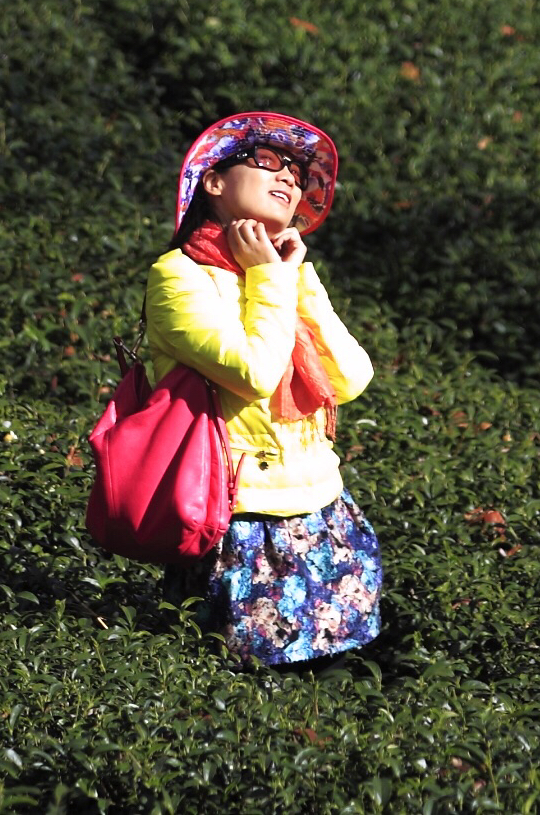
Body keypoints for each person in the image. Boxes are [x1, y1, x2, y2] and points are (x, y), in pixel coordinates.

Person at [144, 108, 381, 670]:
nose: (289, 180)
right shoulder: (177, 276)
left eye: (298, 175)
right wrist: (271, 276)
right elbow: (255, 374)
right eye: (269, 162)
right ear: (215, 181)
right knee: (247, 684)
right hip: (241, 515)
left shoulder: (280, 273)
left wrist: (297, 278)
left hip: (323, 506)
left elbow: (350, 379)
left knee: (336, 682)